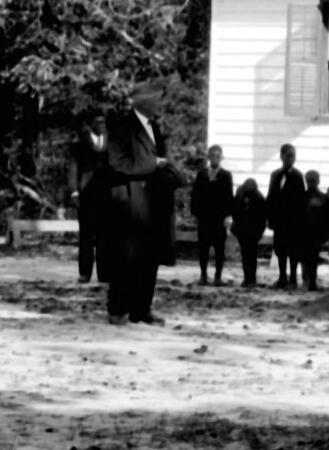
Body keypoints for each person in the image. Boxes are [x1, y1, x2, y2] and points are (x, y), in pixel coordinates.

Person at [100, 82, 182, 326]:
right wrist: (152, 165)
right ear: (142, 101)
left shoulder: (155, 127)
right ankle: (117, 309)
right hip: (131, 201)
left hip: (154, 201)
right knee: (126, 258)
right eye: (155, 98)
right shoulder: (121, 127)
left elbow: (163, 160)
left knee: (150, 258)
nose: (159, 103)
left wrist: (170, 173)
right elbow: (117, 163)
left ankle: (141, 309)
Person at [70, 112, 110, 285]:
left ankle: (105, 273)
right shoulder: (80, 146)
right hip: (86, 197)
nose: (100, 125)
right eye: (97, 122)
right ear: (91, 125)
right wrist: (74, 191)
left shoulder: (112, 145)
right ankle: (85, 272)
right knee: (86, 237)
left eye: (103, 122)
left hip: (107, 198)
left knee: (106, 237)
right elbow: (73, 170)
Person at [191, 146, 235, 286]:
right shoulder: (202, 174)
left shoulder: (226, 175)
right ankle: (203, 275)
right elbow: (195, 195)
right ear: (208, 157)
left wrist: (228, 215)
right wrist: (195, 213)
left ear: (221, 157)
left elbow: (229, 196)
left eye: (218, 155)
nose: (215, 157)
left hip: (219, 218)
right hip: (204, 217)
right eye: (212, 155)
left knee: (219, 249)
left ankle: (218, 276)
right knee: (203, 248)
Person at [267, 144, 304, 289]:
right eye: (288, 156)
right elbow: (271, 197)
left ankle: (293, 278)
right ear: (281, 156)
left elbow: (301, 200)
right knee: (280, 249)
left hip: (293, 220)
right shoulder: (275, 175)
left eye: (293, 156)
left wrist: (300, 220)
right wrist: (270, 217)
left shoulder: (297, 176)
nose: (291, 159)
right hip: (279, 219)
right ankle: (282, 276)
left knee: (293, 250)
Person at [231, 177, 267, 288]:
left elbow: (262, 219)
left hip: (253, 232)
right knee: (245, 255)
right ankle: (247, 278)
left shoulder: (259, 198)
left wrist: (258, 234)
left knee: (251, 256)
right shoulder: (240, 193)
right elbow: (235, 211)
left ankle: (251, 279)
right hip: (241, 230)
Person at [300, 169, 328, 290]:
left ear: (318, 181)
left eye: (313, 181)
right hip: (304, 231)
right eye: (309, 181)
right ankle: (305, 279)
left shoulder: (323, 198)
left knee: (314, 258)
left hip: (316, 232)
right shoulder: (301, 197)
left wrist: (325, 232)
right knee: (304, 257)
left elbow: (327, 216)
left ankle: (312, 280)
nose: (311, 183)